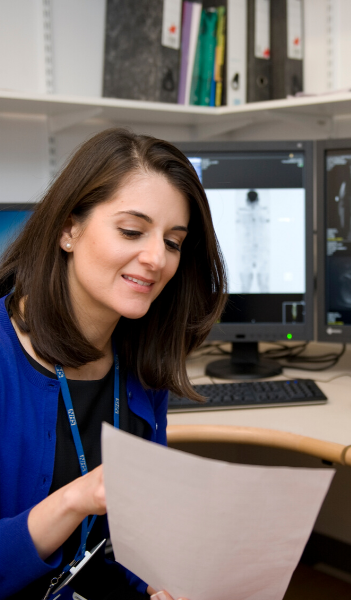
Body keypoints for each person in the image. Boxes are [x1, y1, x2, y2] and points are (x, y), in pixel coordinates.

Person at [0, 128, 227, 599]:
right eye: (132, 231)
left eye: (173, 242)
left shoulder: (141, 359)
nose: (156, 259)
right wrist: (72, 501)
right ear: (68, 228)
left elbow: (134, 537)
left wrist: (158, 580)